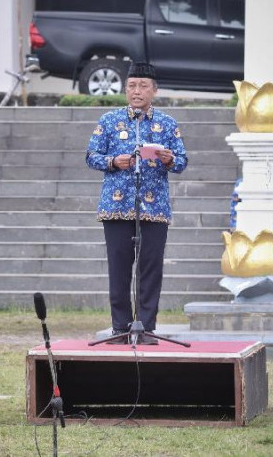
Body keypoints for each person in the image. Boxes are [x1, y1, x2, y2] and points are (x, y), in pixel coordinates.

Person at [86, 62, 187, 345]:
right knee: (118, 268)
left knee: (150, 269)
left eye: (143, 86)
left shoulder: (167, 123)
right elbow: (91, 156)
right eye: (132, 86)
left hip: (154, 209)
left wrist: (169, 160)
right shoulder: (108, 120)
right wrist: (113, 162)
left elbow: (182, 161)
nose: (137, 91)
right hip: (116, 207)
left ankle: (145, 327)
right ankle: (120, 327)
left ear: (154, 90)